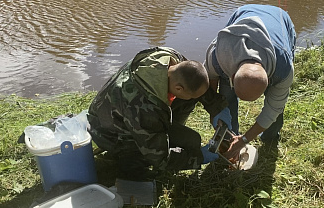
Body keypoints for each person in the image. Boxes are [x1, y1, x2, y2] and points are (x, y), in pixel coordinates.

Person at [87, 46, 227, 181]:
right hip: (107, 131)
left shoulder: (171, 58)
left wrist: (217, 107)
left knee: (190, 99)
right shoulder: (145, 108)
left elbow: (193, 76)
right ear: (178, 88)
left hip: (126, 113)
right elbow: (161, 158)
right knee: (141, 160)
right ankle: (128, 165)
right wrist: (198, 158)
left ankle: (164, 130)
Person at [204, 4, 296, 160]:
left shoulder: (284, 69)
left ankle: (270, 136)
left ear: (269, 81)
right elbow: (212, 82)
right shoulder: (218, 56)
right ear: (231, 77)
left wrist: (245, 140)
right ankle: (230, 136)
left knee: (277, 110)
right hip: (243, 12)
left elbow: (273, 108)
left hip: (279, 19)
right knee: (226, 97)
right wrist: (216, 111)